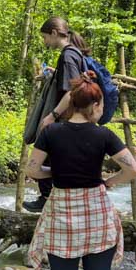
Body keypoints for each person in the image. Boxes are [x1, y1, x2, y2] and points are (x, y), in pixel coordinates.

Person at [26, 72, 136, 270]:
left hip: (62, 213)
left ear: (72, 104)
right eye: (101, 107)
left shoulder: (51, 132)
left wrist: (55, 172)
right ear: (95, 105)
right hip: (97, 214)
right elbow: (133, 170)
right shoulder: (104, 134)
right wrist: (108, 182)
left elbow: (32, 170)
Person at [22, 16, 89, 213]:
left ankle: (46, 198)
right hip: (71, 118)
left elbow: (71, 91)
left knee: (46, 155)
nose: (45, 42)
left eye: (45, 37)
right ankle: (55, 198)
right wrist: (55, 72)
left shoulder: (68, 56)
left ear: (53, 33)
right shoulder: (73, 54)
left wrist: (52, 115)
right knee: (56, 157)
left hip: (64, 117)